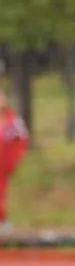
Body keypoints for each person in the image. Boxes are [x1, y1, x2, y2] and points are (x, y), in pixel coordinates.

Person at [0, 88, 29, 236]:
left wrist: (14, 160)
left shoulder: (13, 120)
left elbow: (22, 140)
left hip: (4, 165)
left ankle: (3, 222)